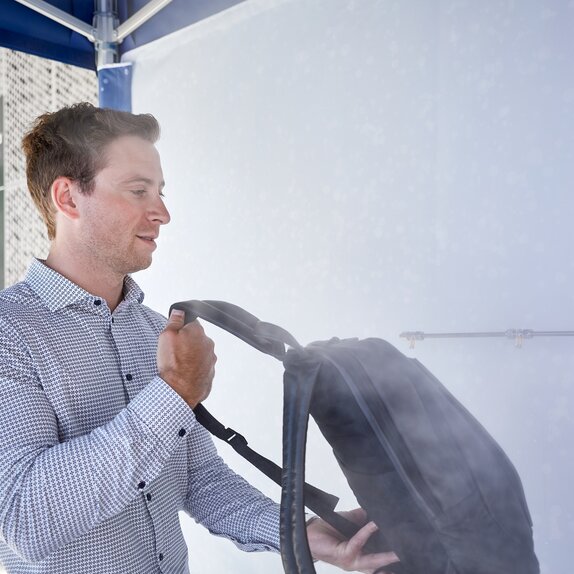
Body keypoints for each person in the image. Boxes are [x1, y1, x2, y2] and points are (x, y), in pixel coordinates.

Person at [0, 103, 398, 574]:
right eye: (138, 190)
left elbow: (198, 480)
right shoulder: (10, 334)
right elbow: (26, 518)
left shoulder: (152, 329)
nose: (162, 213)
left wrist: (299, 534)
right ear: (68, 198)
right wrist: (173, 394)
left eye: (160, 192)